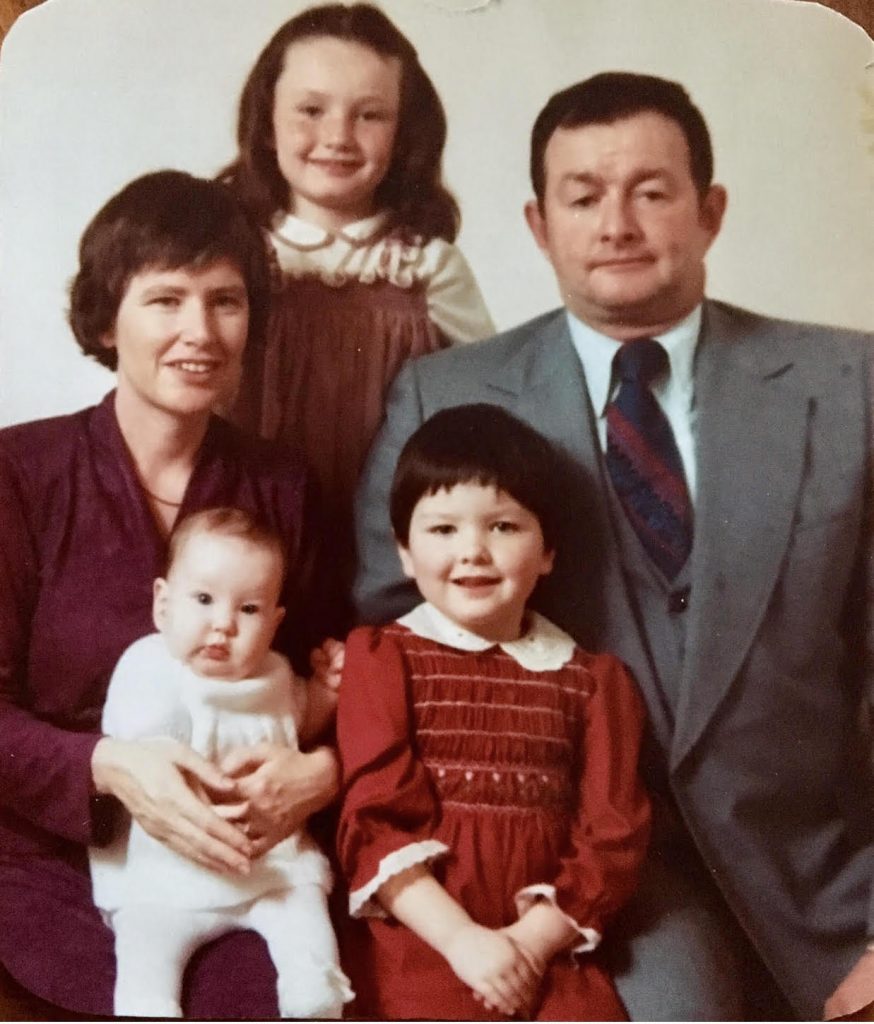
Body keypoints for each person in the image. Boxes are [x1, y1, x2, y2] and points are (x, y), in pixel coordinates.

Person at [354, 72, 874, 1021]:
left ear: (710, 211)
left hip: (828, 878)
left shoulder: (850, 387)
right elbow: (390, 639)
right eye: (583, 197)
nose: (616, 224)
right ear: (538, 225)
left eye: (651, 191)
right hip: (573, 887)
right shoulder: (442, 393)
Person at [0, 170, 339, 1018]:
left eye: (226, 300)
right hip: (46, 864)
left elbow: (347, 675)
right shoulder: (20, 474)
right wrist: (108, 766)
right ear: (106, 318)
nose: (200, 331)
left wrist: (320, 774)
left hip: (242, 863)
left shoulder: (282, 484)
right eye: (166, 299)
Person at [337, 404, 650, 1020]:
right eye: (443, 529)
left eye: (504, 527)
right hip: (421, 939)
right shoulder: (381, 658)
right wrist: (462, 942)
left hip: (549, 946)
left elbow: (614, 835)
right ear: (403, 553)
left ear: (549, 551)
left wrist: (527, 947)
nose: (474, 551)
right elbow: (374, 827)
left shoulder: (594, 680)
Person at [218, 2, 494, 620]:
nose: (339, 137)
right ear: (267, 122)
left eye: (370, 115)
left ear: (404, 135)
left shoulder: (426, 267)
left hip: (391, 547)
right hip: (245, 538)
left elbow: (485, 410)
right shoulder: (233, 255)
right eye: (311, 111)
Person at [90, 507, 353, 1019]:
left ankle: (314, 997)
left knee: (307, 920)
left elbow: (300, 721)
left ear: (276, 623)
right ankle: (147, 1006)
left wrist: (325, 690)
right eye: (204, 600)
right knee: (144, 949)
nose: (223, 625)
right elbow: (136, 742)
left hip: (271, 869)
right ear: (163, 605)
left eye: (249, 610)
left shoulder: (275, 675)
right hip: (166, 874)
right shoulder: (150, 666)